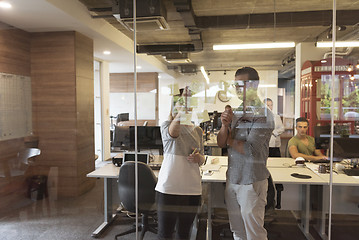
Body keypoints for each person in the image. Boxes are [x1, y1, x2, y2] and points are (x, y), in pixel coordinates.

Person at [217, 67, 274, 240]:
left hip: (251, 181)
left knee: (254, 234)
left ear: (255, 85)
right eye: (236, 85)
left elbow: (249, 150)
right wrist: (225, 125)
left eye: (243, 84)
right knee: (238, 232)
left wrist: (229, 140)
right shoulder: (235, 112)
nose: (238, 89)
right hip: (233, 179)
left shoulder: (264, 115)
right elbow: (221, 143)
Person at [155, 87, 205, 240]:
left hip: (192, 189)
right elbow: (174, 133)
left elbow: (202, 158)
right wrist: (181, 109)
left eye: (188, 105)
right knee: (165, 233)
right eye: (181, 104)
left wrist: (199, 159)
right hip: (169, 189)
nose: (186, 107)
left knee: (184, 233)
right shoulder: (166, 125)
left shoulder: (197, 130)